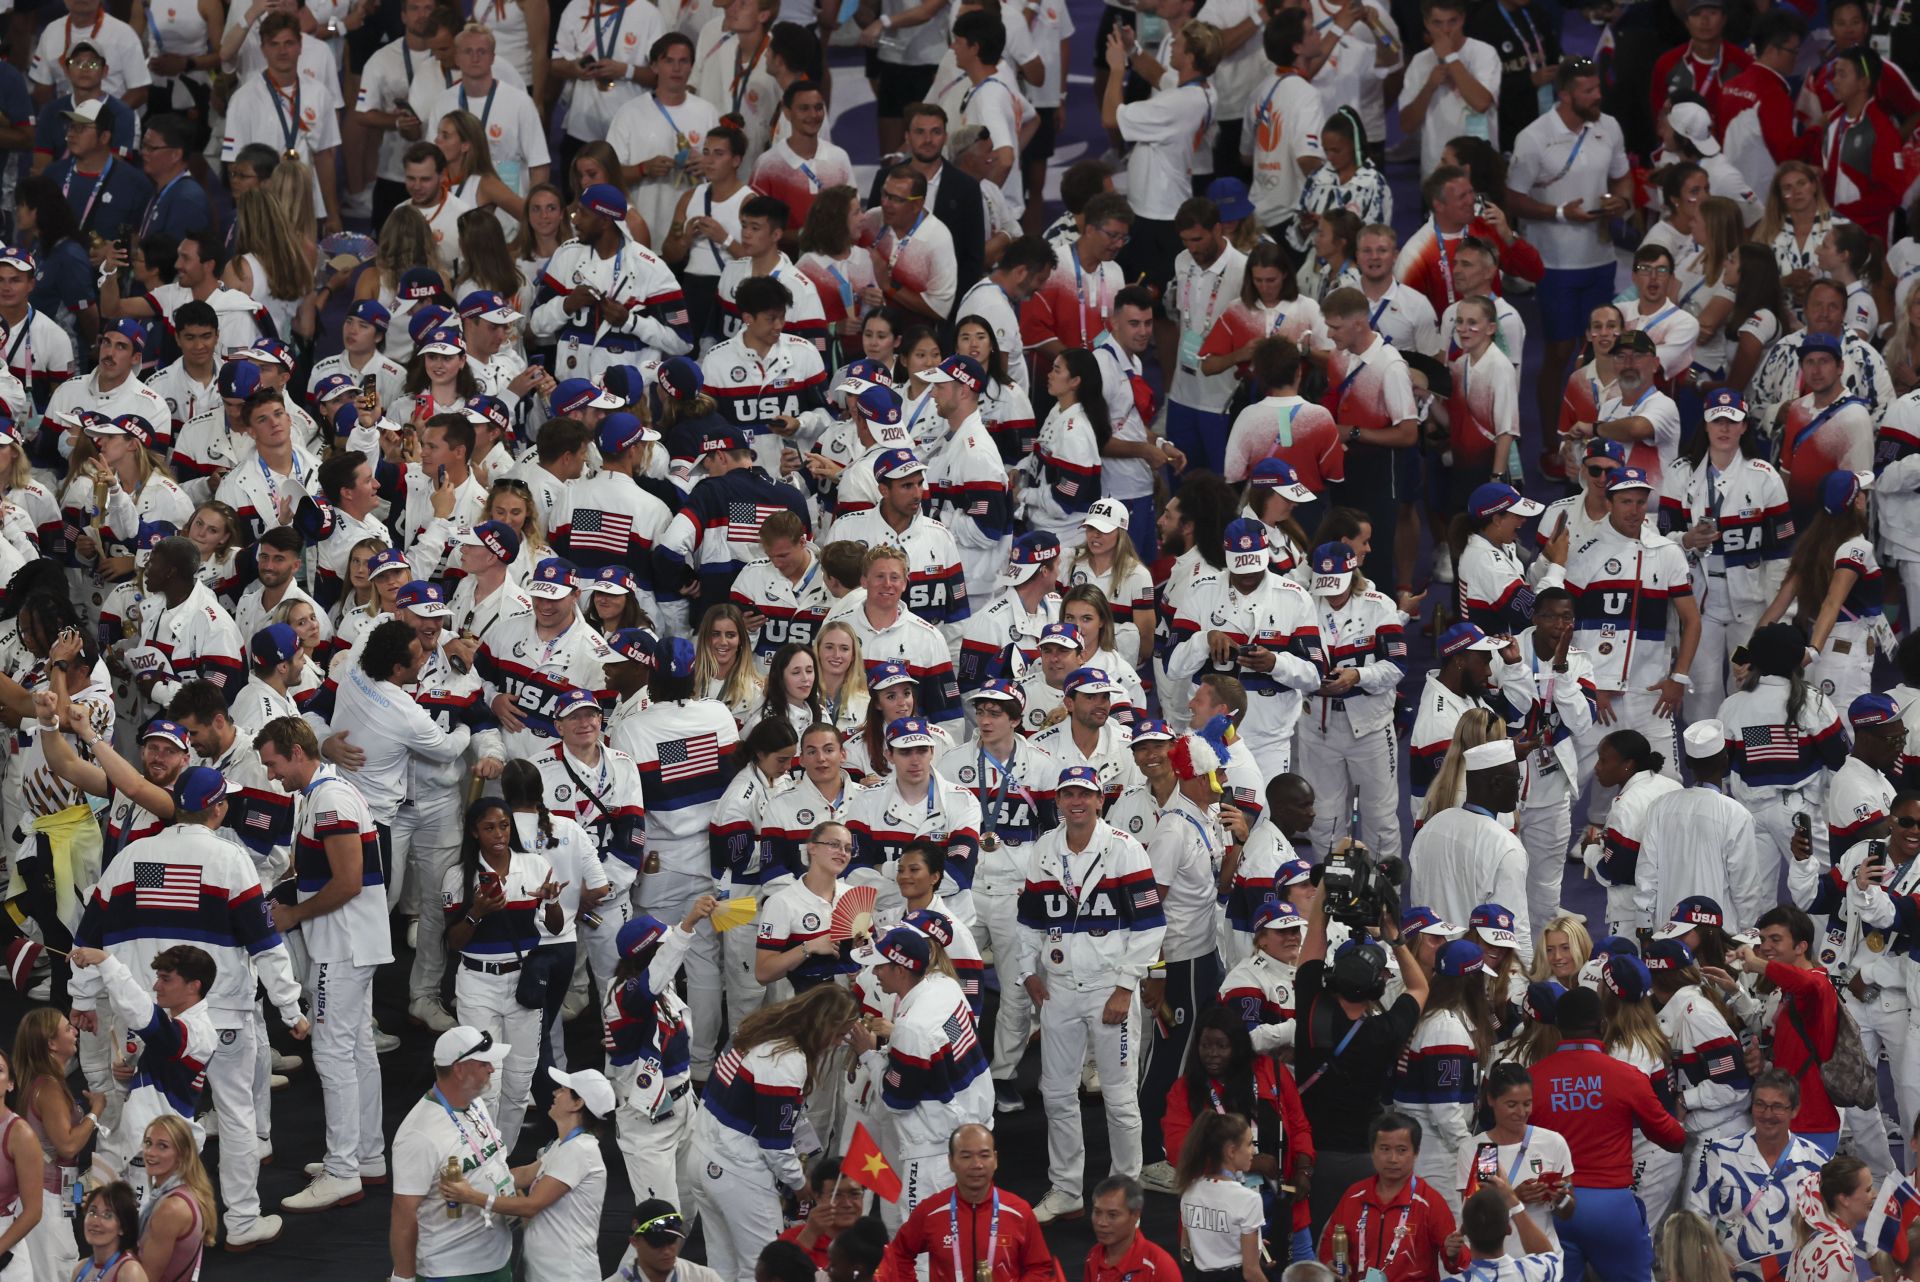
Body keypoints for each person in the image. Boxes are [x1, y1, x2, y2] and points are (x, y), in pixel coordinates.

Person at [68, 761, 305, 1250]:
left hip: (146, 1018)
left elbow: (86, 937)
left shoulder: (133, 857)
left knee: (141, 1120)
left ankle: (137, 1226)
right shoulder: (230, 860)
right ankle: (239, 1222)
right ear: (218, 808)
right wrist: (289, 1008)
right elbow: (265, 943)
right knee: (236, 1114)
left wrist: (83, 996)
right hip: (220, 1016)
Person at [254, 714, 392, 1212]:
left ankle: (343, 1170)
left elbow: (349, 880)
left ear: (296, 751)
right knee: (356, 1051)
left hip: (343, 944)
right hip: (351, 941)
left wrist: (291, 914)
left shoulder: (330, 799)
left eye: (273, 764)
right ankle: (367, 1157)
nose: (271, 775)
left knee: (333, 1054)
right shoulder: (319, 795)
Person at [1015, 763, 1165, 1222]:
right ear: (1057, 802)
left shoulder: (1125, 850)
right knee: (1056, 1093)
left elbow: (1150, 926)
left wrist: (1125, 987)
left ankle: (1127, 1188)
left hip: (1108, 989)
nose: (1076, 802)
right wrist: (1027, 972)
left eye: (1085, 793)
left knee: (1119, 1097)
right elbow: (1028, 920)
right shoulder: (1043, 849)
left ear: (1100, 800)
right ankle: (1066, 1189)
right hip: (1058, 989)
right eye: (1067, 795)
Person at [692, 984, 861, 1282]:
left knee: (723, 1269)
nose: (837, 1043)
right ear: (822, 1025)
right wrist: (799, 1183)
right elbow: (774, 1145)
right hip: (738, 1170)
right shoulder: (785, 1059)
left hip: (705, 1156)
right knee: (766, 1267)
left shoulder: (761, 1029)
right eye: (837, 1034)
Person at [1292, 877, 1427, 1234]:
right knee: (1364, 1243)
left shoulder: (1311, 1008)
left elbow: (1314, 940)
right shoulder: (1383, 1032)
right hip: (1366, 1160)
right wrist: (1395, 937)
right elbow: (1418, 986)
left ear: (1332, 978)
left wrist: (1327, 886)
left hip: (1312, 1156)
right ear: (1379, 986)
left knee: (1318, 1242)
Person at [1528, 985, 1686, 1282]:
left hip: (1554, 1204)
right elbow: (1673, 1139)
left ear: (1559, 1027)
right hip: (1611, 1206)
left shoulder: (1531, 1080)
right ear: (1602, 1025)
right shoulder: (1627, 1077)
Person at [438, 1067, 612, 1282]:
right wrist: (476, 1175)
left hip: (566, 1274)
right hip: (548, 1270)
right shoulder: (564, 1145)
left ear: (578, 1104)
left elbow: (532, 1206)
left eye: (564, 1090)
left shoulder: (580, 1151)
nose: (555, 1093)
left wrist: (470, 1195)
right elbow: (524, 1174)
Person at [389, 1026, 515, 1282]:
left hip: (498, 1257)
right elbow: (403, 1213)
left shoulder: (476, 1104)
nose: (491, 1068)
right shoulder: (418, 1134)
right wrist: (404, 1278)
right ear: (459, 1069)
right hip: (451, 1271)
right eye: (484, 1063)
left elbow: (493, 1166)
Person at [1685, 1071, 1830, 1282]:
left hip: (1794, 1275)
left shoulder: (1816, 1162)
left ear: (1795, 1110)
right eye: (1760, 1104)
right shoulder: (1722, 1155)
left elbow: (1829, 1224)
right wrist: (1710, 1253)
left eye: (1778, 1106)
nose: (1767, 1114)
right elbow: (1695, 1216)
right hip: (1733, 1275)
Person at [1636, 722, 1764, 934]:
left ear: (1687, 763)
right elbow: (1745, 886)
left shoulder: (1660, 806)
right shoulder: (1736, 815)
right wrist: (1749, 934)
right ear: (1725, 761)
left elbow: (1646, 873)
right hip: (1718, 937)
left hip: (1668, 931)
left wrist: (1644, 925)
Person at [1318, 1112, 1460, 1282]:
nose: (1393, 1159)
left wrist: (1454, 1255)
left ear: (1416, 1153)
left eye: (1401, 1150)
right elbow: (1328, 1247)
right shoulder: (1353, 1196)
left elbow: (1458, 1265)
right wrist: (1329, 1263)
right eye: (1385, 1149)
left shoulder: (1430, 1201)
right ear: (1372, 1151)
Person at [1176, 1112, 1267, 1282]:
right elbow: (1251, 1272)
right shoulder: (1249, 1199)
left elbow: (1185, 1251)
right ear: (1231, 1151)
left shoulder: (1189, 1190)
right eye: (1249, 1144)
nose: (1253, 1151)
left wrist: (1254, 1246)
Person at [131, 1115, 214, 1281]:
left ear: (182, 1154)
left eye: (162, 1146)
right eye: (148, 1143)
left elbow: (146, 1277)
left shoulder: (171, 1209)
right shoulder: (183, 1191)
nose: (150, 1153)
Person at [1788, 1156, 1873, 1282]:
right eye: (1868, 1190)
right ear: (1844, 1199)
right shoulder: (1838, 1255)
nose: (1875, 1194)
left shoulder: (1813, 1235)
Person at [1083, 1175, 1181, 1282]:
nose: (1102, 1222)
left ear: (1135, 1215)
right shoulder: (1093, 1256)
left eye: (1112, 1215)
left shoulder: (1160, 1267)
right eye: (1097, 1212)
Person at [69, 1182, 147, 1282]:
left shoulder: (130, 1272)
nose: (96, 1222)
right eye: (92, 1212)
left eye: (107, 1215)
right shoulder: (80, 1269)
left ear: (122, 1227)